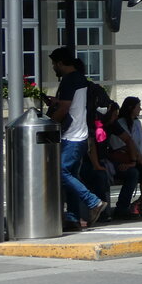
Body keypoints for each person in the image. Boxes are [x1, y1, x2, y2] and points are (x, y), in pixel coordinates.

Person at [46, 47, 106, 229]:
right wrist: (56, 102)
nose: (53, 67)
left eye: (54, 64)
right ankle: (72, 217)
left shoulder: (69, 80)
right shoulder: (81, 79)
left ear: (60, 63)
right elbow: (74, 105)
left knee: (59, 171)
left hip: (71, 135)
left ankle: (93, 201)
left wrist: (49, 124)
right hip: (81, 136)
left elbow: (65, 108)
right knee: (70, 174)